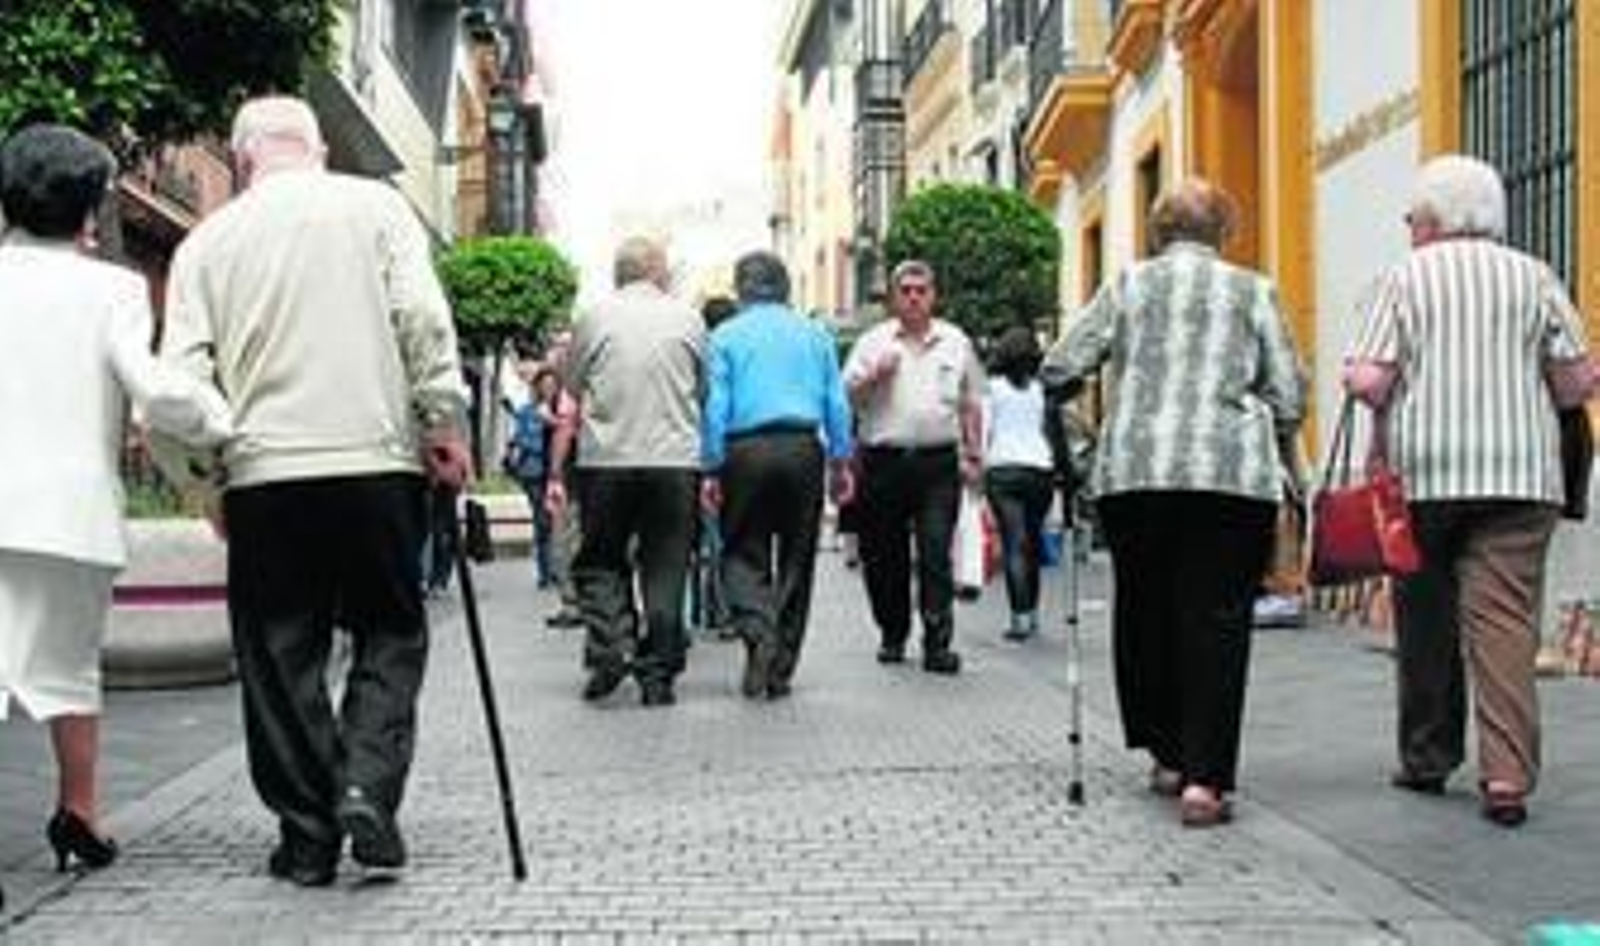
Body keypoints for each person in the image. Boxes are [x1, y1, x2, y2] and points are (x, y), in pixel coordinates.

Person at [159, 96, 471, 885]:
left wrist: (205, 483)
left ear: (239, 160)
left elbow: (180, 384)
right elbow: (422, 319)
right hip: (377, 459)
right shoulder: (377, 209)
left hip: (267, 474)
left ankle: (307, 834)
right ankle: (367, 783)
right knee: (391, 630)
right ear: (321, 148)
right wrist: (442, 418)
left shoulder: (206, 243)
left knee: (280, 650)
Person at [0, 124, 233, 877]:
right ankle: (79, 813)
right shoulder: (114, 289)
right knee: (69, 668)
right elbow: (153, 389)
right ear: (89, 213)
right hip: (70, 519)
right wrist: (220, 419)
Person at [1041, 178, 1306, 828]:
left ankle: (1165, 754)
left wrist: (1088, 435)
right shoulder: (1254, 289)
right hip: (1228, 475)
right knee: (1216, 620)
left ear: (1160, 231)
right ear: (1225, 231)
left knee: (1146, 611)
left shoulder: (1129, 284)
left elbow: (1059, 366)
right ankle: (1205, 782)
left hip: (1136, 472)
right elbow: (1290, 393)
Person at [1344, 154, 1595, 828]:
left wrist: (1363, 375)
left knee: (1424, 617)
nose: (1408, 226)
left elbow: (1369, 381)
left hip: (1424, 477)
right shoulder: (1534, 276)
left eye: (1412, 216)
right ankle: (1507, 775)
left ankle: (1427, 756)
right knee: (1505, 622)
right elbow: (1575, 382)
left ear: (1432, 220)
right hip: (1518, 475)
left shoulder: (1400, 278)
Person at [545, 236, 704, 707]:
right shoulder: (689, 319)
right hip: (674, 462)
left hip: (608, 461)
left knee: (600, 560)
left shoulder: (594, 317)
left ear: (620, 274)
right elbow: (705, 387)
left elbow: (570, 386)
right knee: (667, 564)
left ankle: (611, 644)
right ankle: (659, 675)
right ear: (659, 273)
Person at [701, 252, 854, 700]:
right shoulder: (814, 334)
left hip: (744, 451)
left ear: (741, 289)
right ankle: (781, 665)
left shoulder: (724, 336)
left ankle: (757, 631)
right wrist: (841, 461)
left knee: (740, 551)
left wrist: (711, 466)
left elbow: (715, 408)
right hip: (803, 448)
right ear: (785, 287)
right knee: (797, 556)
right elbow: (836, 402)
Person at [842, 260, 984, 675]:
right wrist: (873, 376)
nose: (914, 297)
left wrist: (975, 454)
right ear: (893, 296)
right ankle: (893, 632)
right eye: (905, 290)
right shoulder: (872, 342)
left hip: (938, 463)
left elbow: (971, 399)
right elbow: (845, 397)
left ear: (934, 295)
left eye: (921, 290)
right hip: (884, 462)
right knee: (884, 555)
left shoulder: (956, 341)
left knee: (935, 552)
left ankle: (938, 642)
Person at [981, 325, 1056, 641]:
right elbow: (1051, 432)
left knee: (1015, 542)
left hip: (1003, 470)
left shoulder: (991, 389)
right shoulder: (1042, 391)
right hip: (1039, 469)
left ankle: (1019, 618)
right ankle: (1034, 614)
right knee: (1032, 542)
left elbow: (984, 431)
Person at [503, 366, 559, 588]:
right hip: (535, 473)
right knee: (542, 521)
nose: (548, 390)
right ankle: (545, 572)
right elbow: (521, 440)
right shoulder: (528, 411)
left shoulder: (561, 411)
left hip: (556, 472)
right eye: (544, 386)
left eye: (552, 386)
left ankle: (556, 568)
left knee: (557, 523)